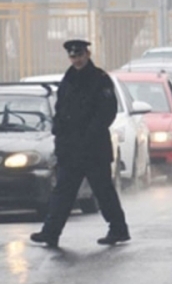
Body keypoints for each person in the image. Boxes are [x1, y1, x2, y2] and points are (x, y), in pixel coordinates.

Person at [30, 39, 130, 248]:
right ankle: (50, 232)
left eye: (80, 55)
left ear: (87, 55)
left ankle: (119, 230)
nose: (76, 60)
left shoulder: (100, 79)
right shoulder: (68, 78)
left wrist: (88, 135)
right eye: (73, 56)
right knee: (63, 192)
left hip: (93, 148)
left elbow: (106, 112)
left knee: (103, 191)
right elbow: (61, 109)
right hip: (71, 149)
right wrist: (59, 131)